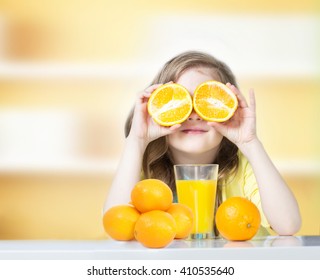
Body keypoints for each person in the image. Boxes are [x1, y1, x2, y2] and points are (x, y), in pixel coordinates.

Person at [104, 51, 301, 236]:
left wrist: (249, 142)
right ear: (159, 109)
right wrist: (136, 140)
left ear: (229, 109)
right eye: (181, 102)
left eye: (207, 103)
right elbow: (117, 225)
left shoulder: (242, 168)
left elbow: (288, 224)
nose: (195, 115)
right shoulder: (146, 170)